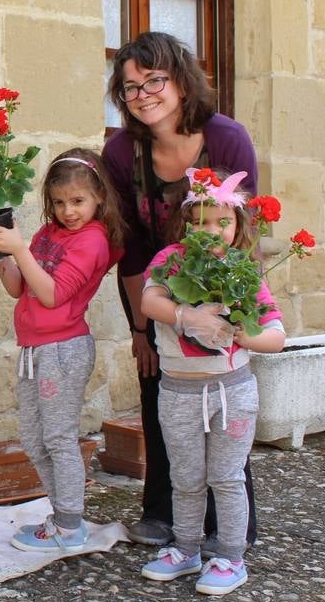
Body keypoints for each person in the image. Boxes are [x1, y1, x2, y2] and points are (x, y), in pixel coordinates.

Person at [101, 31, 260, 555]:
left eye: (154, 81)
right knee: (160, 397)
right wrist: (140, 330)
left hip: (217, 293)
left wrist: (233, 317)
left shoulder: (227, 139)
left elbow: (243, 233)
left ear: (181, 82)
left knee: (222, 398)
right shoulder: (123, 151)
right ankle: (162, 513)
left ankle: (231, 525)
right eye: (130, 88)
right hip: (157, 291)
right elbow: (128, 246)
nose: (143, 94)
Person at [138, 169, 285, 594]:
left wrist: (241, 332)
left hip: (232, 391)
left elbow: (276, 336)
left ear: (239, 225)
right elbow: (149, 301)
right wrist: (188, 316)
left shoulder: (246, 271)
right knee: (185, 476)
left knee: (226, 475)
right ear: (185, 223)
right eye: (200, 221)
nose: (211, 230)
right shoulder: (170, 261)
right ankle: (185, 549)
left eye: (223, 221)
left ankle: (230, 556)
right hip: (179, 390)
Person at [0, 149, 125, 553]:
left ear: (98, 199)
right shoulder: (47, 234)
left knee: (58, 438)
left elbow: (53, 294)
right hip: (35, 350)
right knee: (34, 438)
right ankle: (61, 516)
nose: (68, 211)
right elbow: (18, 288)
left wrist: (20, 249)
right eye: (59, 203)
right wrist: (3, 252)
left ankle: (70, 525)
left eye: (78, 201)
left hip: (63, 350)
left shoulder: (92, 240)